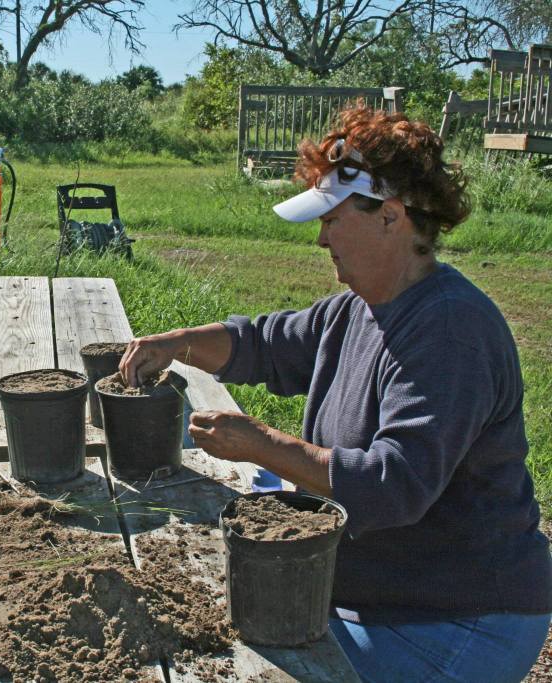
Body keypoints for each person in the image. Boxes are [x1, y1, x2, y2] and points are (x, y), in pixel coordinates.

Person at [120, 107, 552, 682]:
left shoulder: (450, 331)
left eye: (332, 218)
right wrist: (177, 344)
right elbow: (265, 344)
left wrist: (259, 444)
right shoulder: (357, 308)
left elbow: (392, 485)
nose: (321, 236)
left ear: (390, 218)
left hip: (457, 619)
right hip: (380, 595)